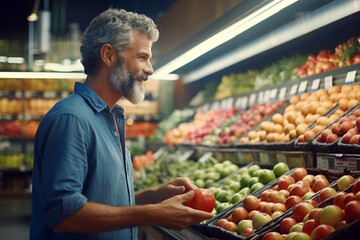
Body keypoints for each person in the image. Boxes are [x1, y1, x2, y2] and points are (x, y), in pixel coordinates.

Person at [29, 8, 213, 240]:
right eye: (142, 57)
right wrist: (149, 214)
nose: (150, 70)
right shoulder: (71, 119)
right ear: (108, 55)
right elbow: (64, 213)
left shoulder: (110, 117)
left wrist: (154, 196)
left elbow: (103, 202)